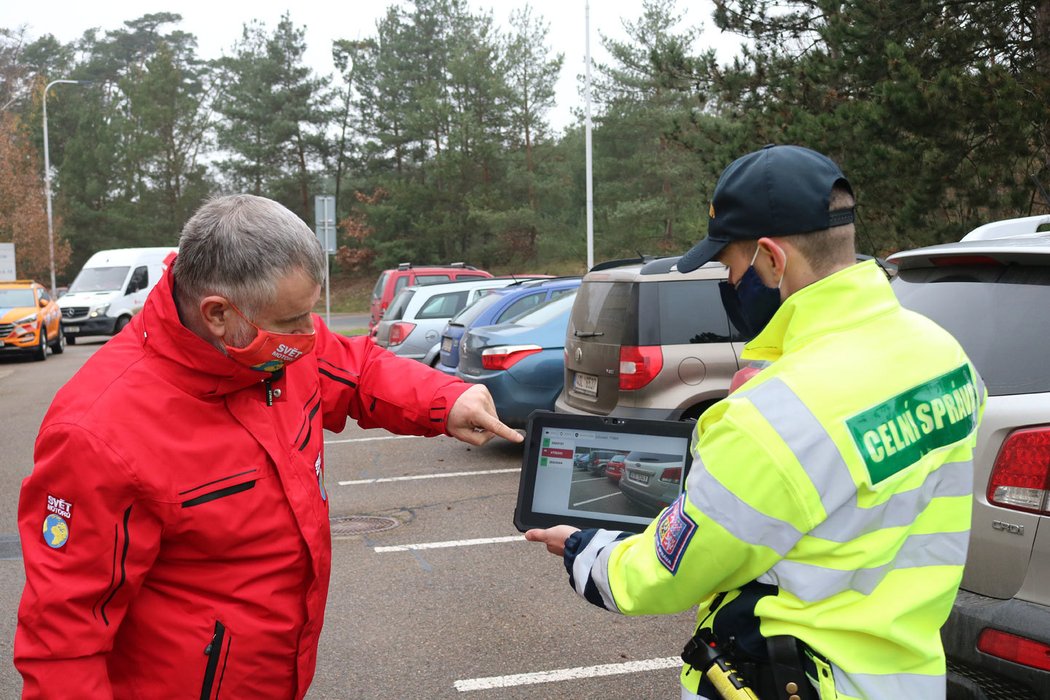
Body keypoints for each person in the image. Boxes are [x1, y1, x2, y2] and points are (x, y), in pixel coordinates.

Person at [15, 194, 522, 698]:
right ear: (216, 313)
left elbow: (358, 369)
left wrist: (446, 398)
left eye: (310, 315)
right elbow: (63, 642)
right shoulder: (97, 433)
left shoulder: (271, 345)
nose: (309, 335)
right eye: (292, 322)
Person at [526, 145, 985, 700]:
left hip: (800, 680)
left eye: (730, 265)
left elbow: (666, 573)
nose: (727, 279)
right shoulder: (945, 355)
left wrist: (585, 552)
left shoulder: (773, 416)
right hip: (905, 678)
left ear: (772, 258)